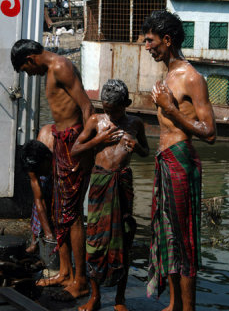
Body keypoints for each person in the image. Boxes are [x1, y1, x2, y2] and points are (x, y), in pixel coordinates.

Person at [142, 10, 216, 311]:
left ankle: (188, 308)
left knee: (183, 237)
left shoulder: (192, 77)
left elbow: (210, 132)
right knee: (166, 234)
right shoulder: (168, 75)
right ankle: (173, 304)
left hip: (181, 160)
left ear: (167, 40)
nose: (146, 46)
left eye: (150, 40)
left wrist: (171, 110)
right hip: (164, 159)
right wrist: (165, 107)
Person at [11, 39, 94, 300]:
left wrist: (79, 146)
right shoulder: (51, 70)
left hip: (73, 141)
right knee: (60, 211)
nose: (29, 75)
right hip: (61, 141)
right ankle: (66, 272)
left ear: (30, 60)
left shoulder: (60, 66)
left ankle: (80, 280)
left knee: (73, 215)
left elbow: (87, 107)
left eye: (26, 70)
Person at [71, 79, 149, 311]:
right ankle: (95, 297)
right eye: (106, 109)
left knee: (124, 237)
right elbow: (76, 149)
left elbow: (146, 151)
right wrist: (99, 140)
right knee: (95, 239)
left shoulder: (135, 123)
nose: (110, 114)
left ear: (126, 104)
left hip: (122, 184)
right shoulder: (96, 121)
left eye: (114, 109)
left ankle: (120, 299)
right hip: (100, 182)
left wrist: (137, 148)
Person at [21, 124, 54, 254]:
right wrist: (48, 233)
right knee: (37, 206)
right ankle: (35, 242)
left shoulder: (58, 149)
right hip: (44, 164)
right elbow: (39, 199)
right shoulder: (32, 162)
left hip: (59, 167)